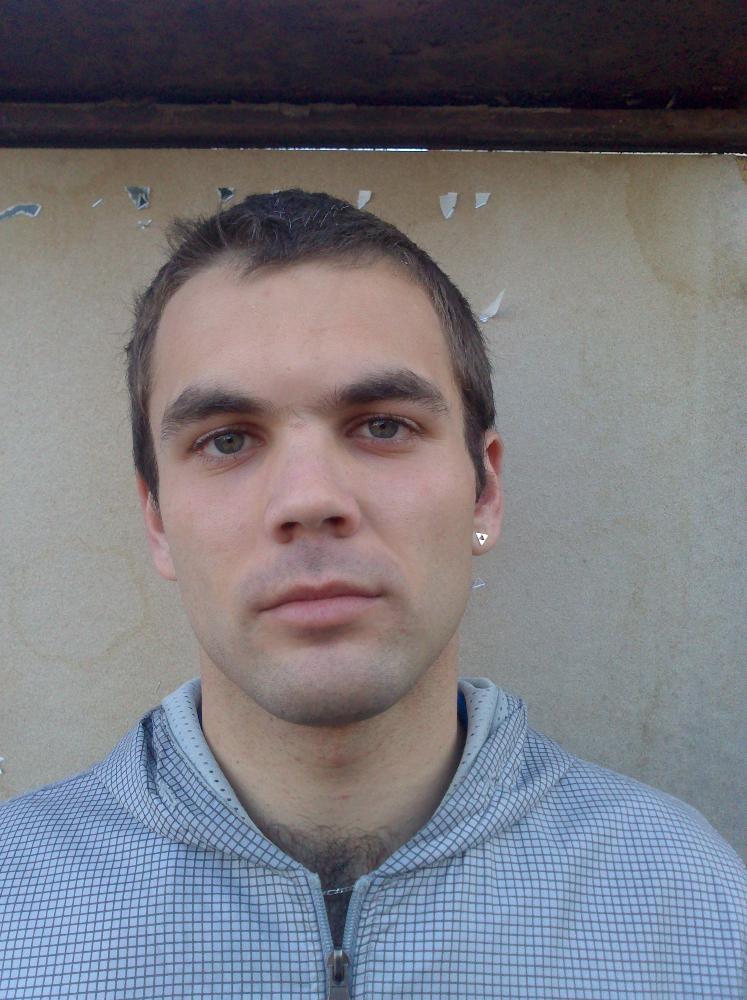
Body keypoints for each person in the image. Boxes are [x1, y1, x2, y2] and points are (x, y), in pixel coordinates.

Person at [0, 189, 744, 999]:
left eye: (382, 425)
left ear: (484, 491)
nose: (309, 498)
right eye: (227, 439)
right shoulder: (15, 905)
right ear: (156, 521)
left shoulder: (690, 908)